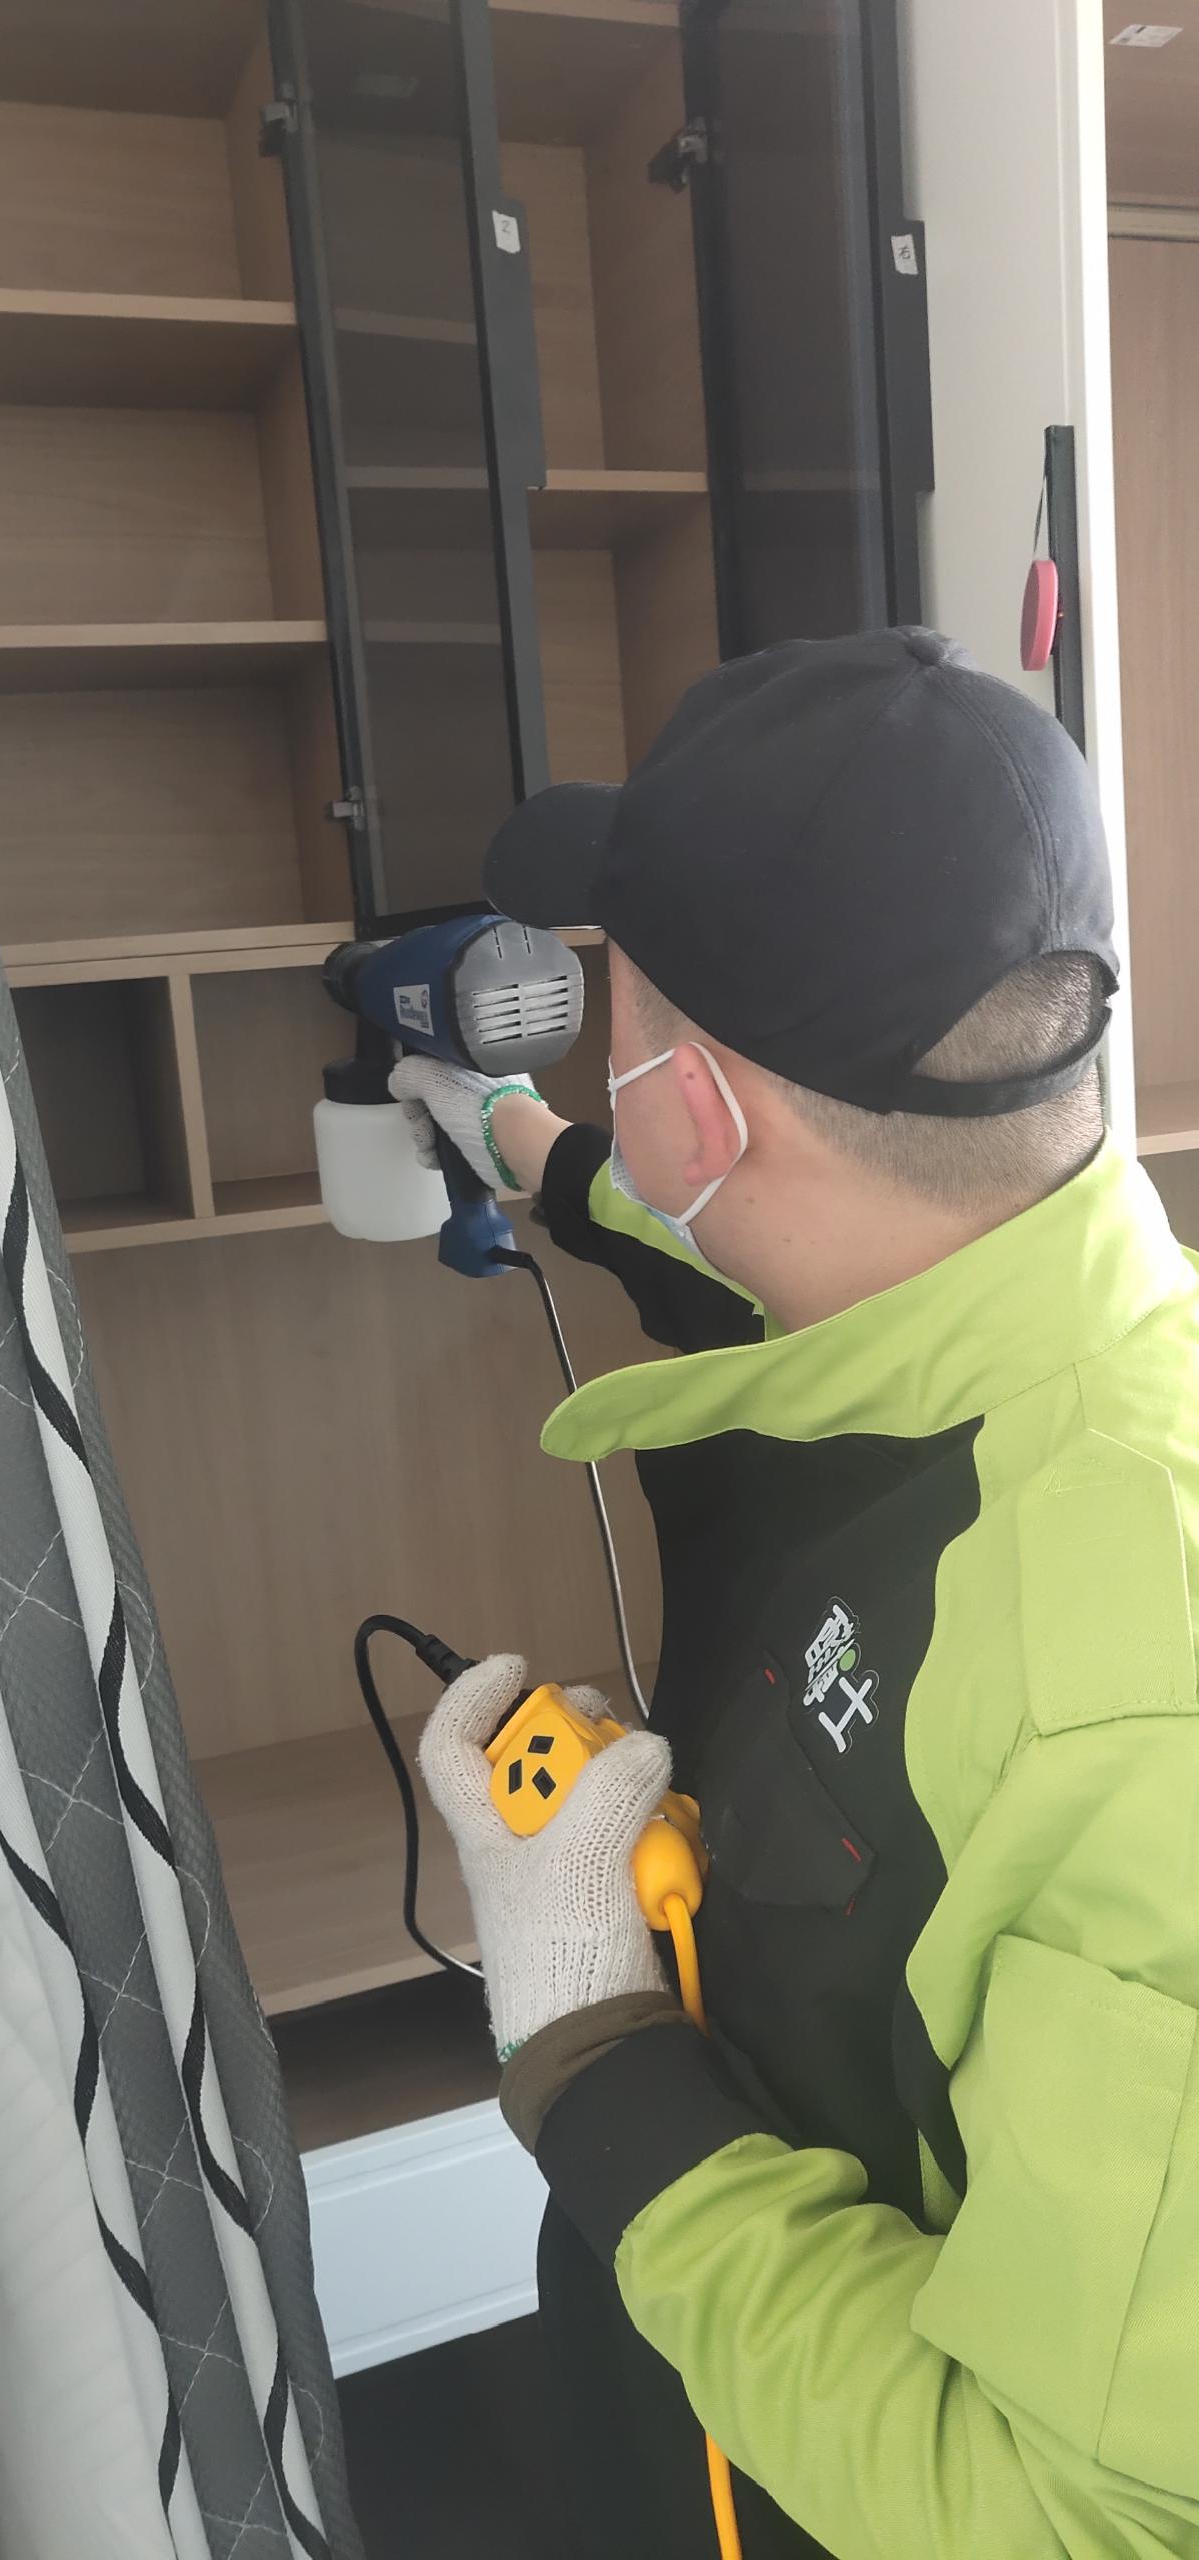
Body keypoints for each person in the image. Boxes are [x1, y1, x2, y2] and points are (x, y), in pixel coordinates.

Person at [390, 629, 1199, 2560]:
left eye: (607, 1011)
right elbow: (724, 1237)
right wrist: (523, 1144)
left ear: (696, 1109)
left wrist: (586, 2044)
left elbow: (1069, 2521)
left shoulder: (1131, 1700)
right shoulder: (1018, 1276)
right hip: (694, 2386)